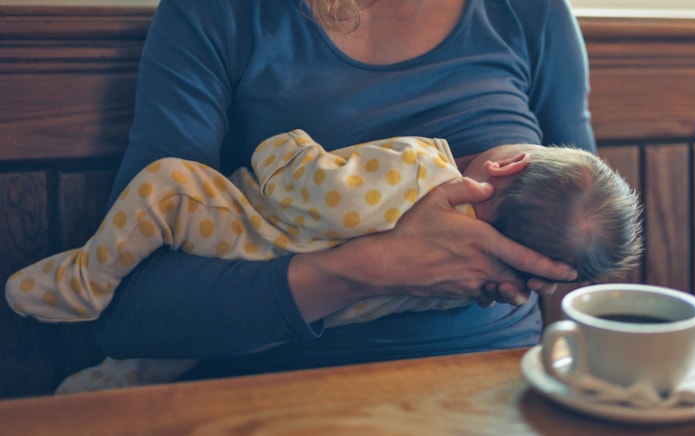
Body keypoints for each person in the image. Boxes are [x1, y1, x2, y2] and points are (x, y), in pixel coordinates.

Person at [12, 0, 600, 388]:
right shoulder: (218, 14)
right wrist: (375, 269)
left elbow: (583, 233)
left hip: (498, 391)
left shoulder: (529, 13)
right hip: (283, 395)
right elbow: (131, 317)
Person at [7, 129, 642, 392]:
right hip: (280, 330)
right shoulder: (466, 282)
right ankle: (94, 384)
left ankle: (83, 280)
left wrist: (284, 147)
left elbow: (307, 188)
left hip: (237, 238)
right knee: (159, 362)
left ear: (507, 164)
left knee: (166, 186)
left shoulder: (422, 167)